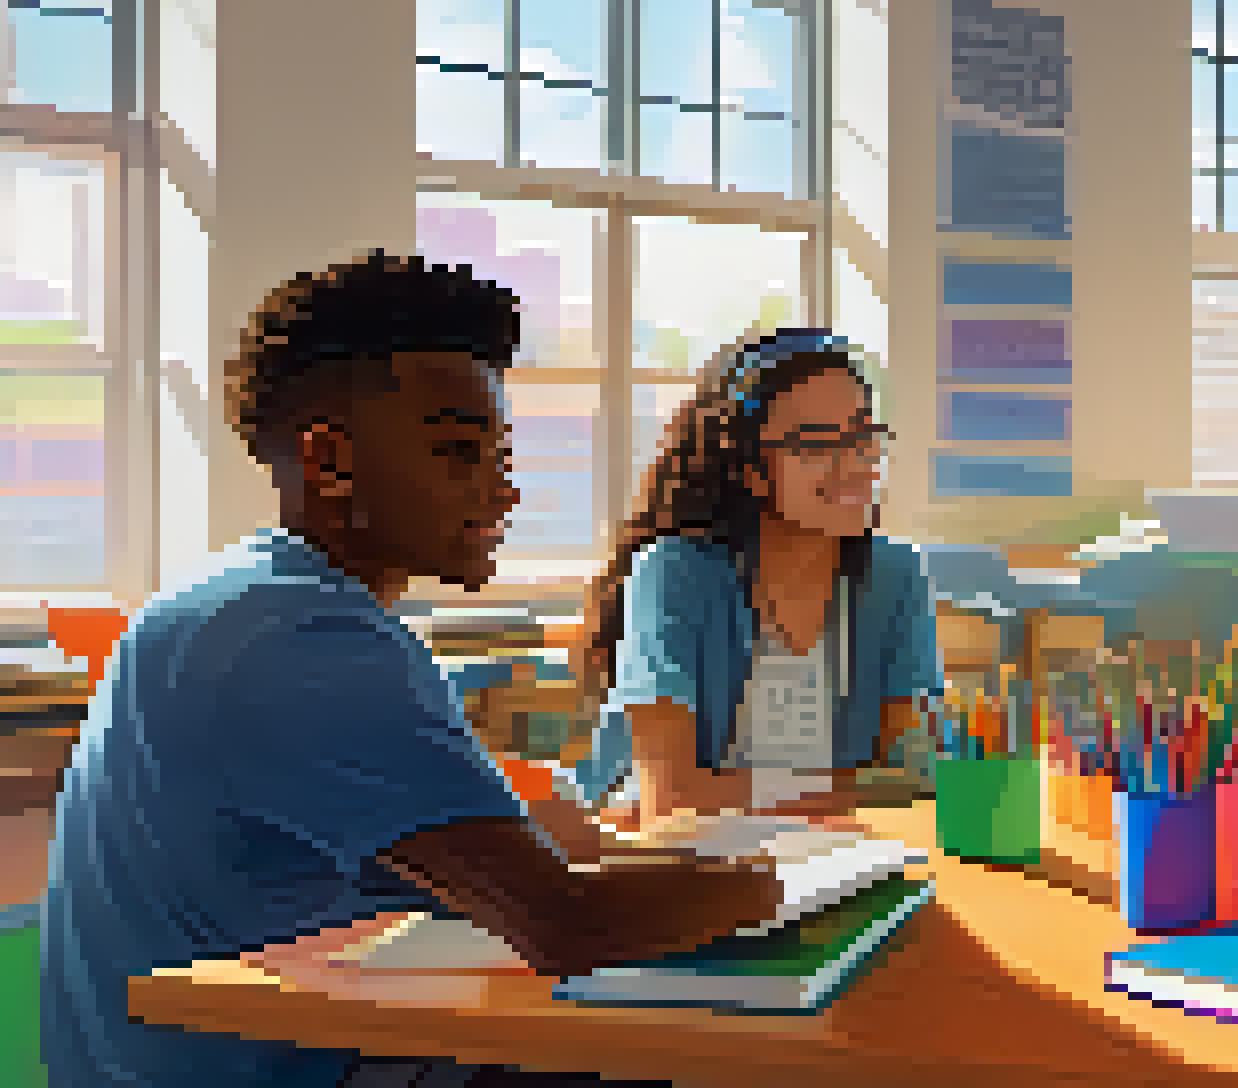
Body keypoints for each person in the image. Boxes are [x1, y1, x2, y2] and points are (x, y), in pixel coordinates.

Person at [42, 253, 778, 1088]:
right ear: (329, 462)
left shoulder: (245, 599)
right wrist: (782, 885)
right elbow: (568, 925)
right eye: (460, 453)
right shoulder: (302, 637)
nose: (503, 494)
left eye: (501, 455)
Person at [573, 328, 940, 829]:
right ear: (750, 469)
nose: (855, 463)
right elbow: (673, 798)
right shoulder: (675, 572)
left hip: (840, 856)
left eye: (862, 435)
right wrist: (849, 786)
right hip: (678, 858)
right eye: (816, 444)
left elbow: (912, 777)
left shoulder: (896, 576)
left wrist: (734, 791)